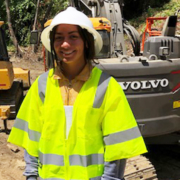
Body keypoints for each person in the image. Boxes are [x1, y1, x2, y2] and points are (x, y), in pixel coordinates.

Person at [8, 7, 147, 180]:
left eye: (73, 36)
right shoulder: (42, 86)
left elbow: (116, 148)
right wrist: (31, 176)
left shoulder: (106, 87)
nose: (65, 44)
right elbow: (32, 138)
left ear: (86, 41)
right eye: (59, 38)